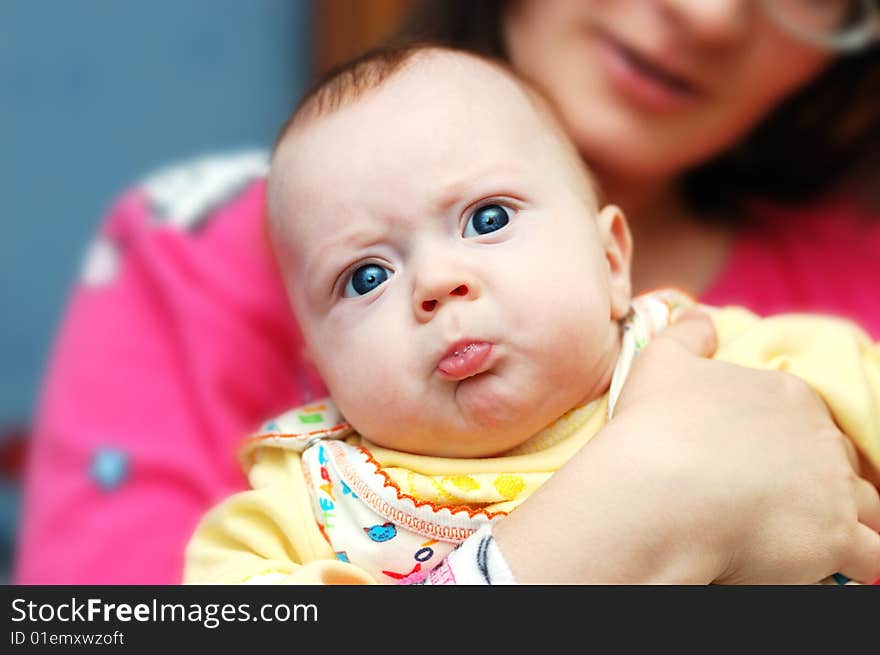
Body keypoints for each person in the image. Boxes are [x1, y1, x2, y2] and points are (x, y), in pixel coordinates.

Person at [14, 0, 880, 584]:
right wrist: (627, 516)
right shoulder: (301, 497)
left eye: (490, 219)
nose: (709, 14)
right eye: (365, 278)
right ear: (318, 366)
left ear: (614, 261)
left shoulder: (759, 346)